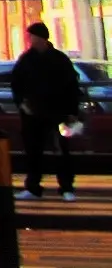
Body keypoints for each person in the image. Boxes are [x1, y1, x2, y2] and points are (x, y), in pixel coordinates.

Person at [11, 21, 81, 201]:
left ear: (41, 37)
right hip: (32, 114)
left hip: (58, 112)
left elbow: (72, 86)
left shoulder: (59, 59)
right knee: (33, 151)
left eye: (31, 36)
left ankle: (66, 188)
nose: (29, 39)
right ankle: (33, 188)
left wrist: (72, 111)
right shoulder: (26, 59)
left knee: (61, 151)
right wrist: (21, 103)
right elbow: (16, 83)